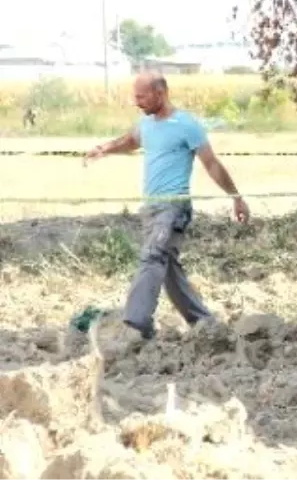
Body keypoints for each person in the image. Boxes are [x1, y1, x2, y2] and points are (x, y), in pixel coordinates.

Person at [84, 72, 250, 340]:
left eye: (141, 96)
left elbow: (211, 164)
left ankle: (136, 323)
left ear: (160, 94)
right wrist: (104, 148)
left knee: (152, 256)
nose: (136, 101)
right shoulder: (146, 124)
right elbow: (130, 140)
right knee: (168, 268)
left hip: (174, 206)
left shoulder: (186, 124)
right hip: (150, 208)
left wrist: (236, 197)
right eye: (135, 96)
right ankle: (204, 323)